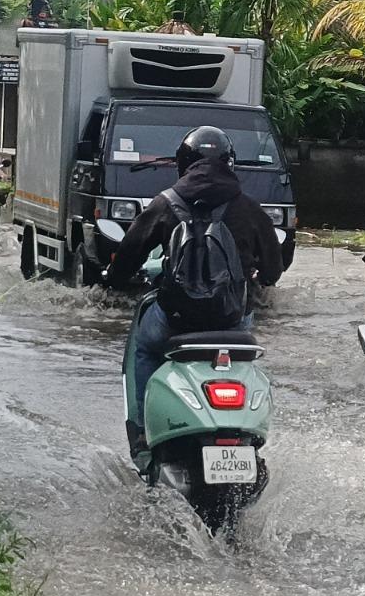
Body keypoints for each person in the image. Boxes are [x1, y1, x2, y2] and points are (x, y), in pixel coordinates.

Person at [105, 126, 283, 447]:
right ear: (230, 163)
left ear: (182, 163)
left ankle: (145, 429)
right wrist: (258, 276)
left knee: (145, 349)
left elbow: (129, 254)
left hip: (175, 319)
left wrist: (115, 279)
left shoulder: (164, 203)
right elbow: (273, 271)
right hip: (233, 323)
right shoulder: (249, 208)